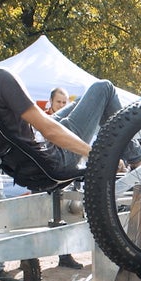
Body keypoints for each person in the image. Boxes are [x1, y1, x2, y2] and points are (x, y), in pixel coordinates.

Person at [0, 5, 125, 181]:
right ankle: (137, 162)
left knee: (81, 102)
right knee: (103, 88)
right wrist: (96, 154)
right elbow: (49, 131)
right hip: (54, 158)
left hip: (21, 162)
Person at [45, 87, 83, 269]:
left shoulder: (68, 124)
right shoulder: (44, 120)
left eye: (63, 102)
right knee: (40, 217)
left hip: (63, 176)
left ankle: (65, 256)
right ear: (51, 102)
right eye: (58, 101)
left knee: (65, 216)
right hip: (45, 174)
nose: (61, 105)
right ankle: (26, 260)